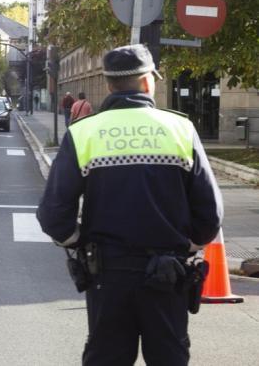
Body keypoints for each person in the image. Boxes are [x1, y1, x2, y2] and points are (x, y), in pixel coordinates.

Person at [37, 44, 222, 365]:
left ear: (109, 85)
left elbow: (53, 213)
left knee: (106, 356)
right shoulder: (180, 129)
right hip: (169, 272)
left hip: (107, 274)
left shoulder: (84, 133)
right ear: (148, 81)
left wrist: (79, 241)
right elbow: (210, 213)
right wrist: (188, 246)